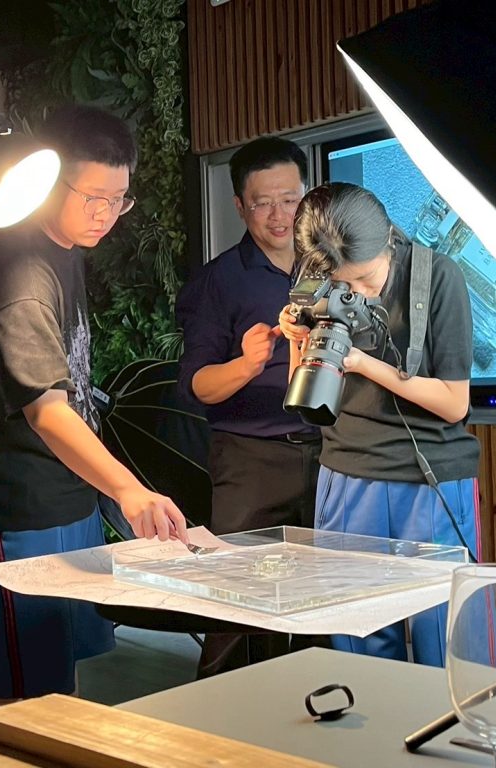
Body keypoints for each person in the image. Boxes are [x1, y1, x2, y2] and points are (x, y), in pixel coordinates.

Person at [0, 104, 188, 739]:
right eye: (92, 197)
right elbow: (48, 411)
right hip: (11, 508)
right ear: (49, 179)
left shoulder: (64, 246)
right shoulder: (17, 275)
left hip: (63, 497)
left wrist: (106, 491)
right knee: (6, 689)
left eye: (119, 199)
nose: (105, 214)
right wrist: (128, 489)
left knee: (51, 675)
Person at [278, 182, 483, 667]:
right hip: (347, 475)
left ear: (388, 238)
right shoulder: (316, 276)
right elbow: (304, 393)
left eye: (367, 279)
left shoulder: (438, 277)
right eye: (344, 286)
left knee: (448, 639)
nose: (358, 294)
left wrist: (365, 364)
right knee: (357, 637)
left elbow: (454, 404)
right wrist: (295, 338)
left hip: (431, 480)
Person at [175, 136, 322, 675]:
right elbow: (197, 386)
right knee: (237, 604)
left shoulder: (333, 266)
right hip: (251, 459)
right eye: (263, 203)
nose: (279, 216)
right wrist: (245, 363)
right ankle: (220, 710)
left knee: (326, 597)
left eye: (290, 199)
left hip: (333, 454)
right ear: (240, 206)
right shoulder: (219, 281)